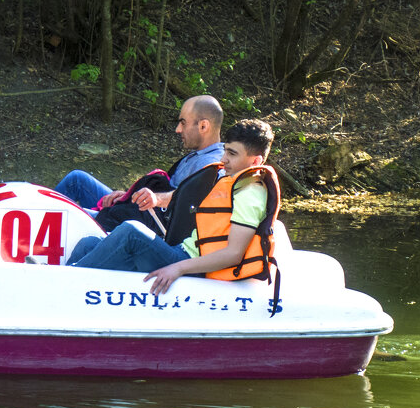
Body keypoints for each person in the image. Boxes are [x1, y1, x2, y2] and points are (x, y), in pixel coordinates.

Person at [64, 119, 279, 296]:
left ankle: (64, 284)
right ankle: (65, 282)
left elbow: (233, 254)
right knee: (88, 243)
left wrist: (177, 268)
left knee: (131, 232)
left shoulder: (251, 194)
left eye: (232, 154)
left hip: (192, 265)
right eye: (225, 151)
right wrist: (157, 199)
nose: (223, 160)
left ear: (255, 160)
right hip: (183, 252)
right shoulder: (234, 183)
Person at [54, 95, 226, 213]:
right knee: (76, 180)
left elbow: (194, 196)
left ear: (204, 126)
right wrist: (129, 195)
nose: (177, 129)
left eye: (183, 123)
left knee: (67, 216)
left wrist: (155, 199)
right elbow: (166, 187)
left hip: (141, 223)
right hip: (136, 210)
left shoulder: (212, 164)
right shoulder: (199, 154)